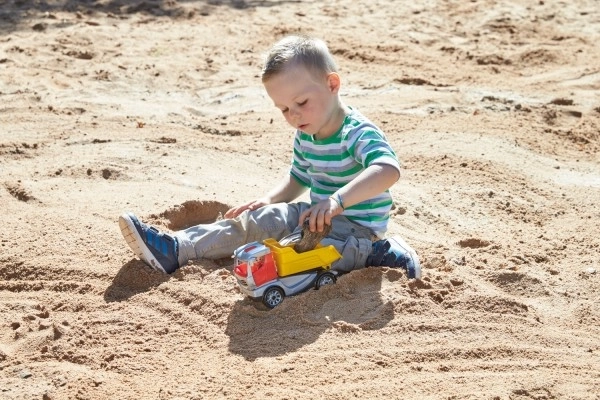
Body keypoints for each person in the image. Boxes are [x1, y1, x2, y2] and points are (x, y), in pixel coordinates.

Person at [119, 35, 421, 279]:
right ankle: (177, 248)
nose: (294, 115)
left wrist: (336, 202)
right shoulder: (306, 133)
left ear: (332, 84)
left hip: (358, 230)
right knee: (259, 221)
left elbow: (387, 169)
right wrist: (268, 200)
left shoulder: (356, 131)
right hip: (313, 218)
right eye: (284, 109)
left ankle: (381, 253)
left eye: (301, 102)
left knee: (304, 254)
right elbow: (299, 178)